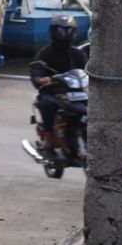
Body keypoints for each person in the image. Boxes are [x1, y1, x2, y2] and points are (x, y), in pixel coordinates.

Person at [30, 14, 88, 158]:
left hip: (75, 92)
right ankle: (48, 142)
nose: (64, 34)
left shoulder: (78, 54)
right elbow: (36, 71)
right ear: (53, 31)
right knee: (47, 104)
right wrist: (41, 79)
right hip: (53, 92)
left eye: (68, 31)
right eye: (60, 31)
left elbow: (87, 71)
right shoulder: (45, 52)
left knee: (91, 108)